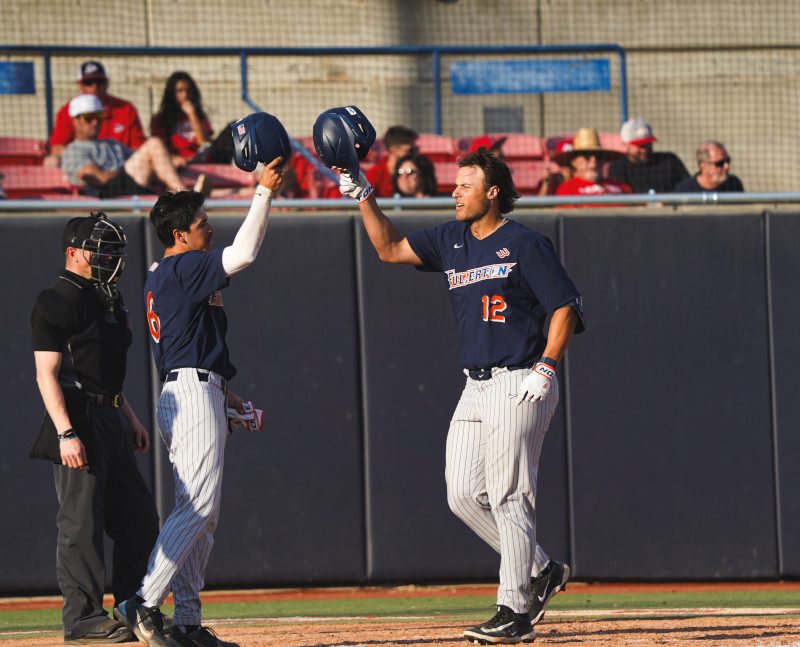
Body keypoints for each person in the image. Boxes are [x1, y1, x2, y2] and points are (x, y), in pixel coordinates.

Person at [339, 147, 585, 644]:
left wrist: (547, 365)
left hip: (521, 379)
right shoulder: (450, 238)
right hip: (475, 385)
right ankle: (541, 570)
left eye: (465, 185)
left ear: (492, 193)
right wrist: (364, 195)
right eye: (455, 183)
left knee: (511, 496)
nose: (454, 191)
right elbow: (388, 249)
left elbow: (566, 308)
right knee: (462, 494)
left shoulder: (525, 242)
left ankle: (513, 611)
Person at [114, 153, 284, 647]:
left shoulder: (171, 272)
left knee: (202, 515)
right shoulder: (183, 267)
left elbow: (192, 348)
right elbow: (246, 251)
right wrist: (264, 191)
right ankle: (143, 601)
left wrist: (230, 399)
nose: (209, 230)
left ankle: (187, 621)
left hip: (196, 387)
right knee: (199, 504)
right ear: (180, 235)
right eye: (202, 224)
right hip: (189, 392)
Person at [30, 213, 161, 644]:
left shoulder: (110, 298)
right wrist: (66, 433)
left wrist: (131, 419)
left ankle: (131, 606)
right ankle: (84, 620)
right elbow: (47, 374)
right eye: (100, 250)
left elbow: (109, 378)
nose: (109, 258)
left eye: (113, 251)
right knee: (81, 524)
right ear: (73, 252)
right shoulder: (57, 299)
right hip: (78, 419)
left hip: (111, 416)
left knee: (140, 519)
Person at [61, 94, 190, 198]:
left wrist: (170, 160)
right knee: (154, 143)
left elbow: (143, 160)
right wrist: (130, 171)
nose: (95, 122)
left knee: (157, 151)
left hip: (131, 186)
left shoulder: (112, 143)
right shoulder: (73, 149)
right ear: (75, 120)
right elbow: (96, 178)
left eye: (99, 116)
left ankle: (189, 195)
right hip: (105, 194)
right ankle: (186, 196)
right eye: (89, 117)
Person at [45, 61, 146, 167]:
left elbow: (138, 146)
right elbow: (57, 148)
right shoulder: (69, 111)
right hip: (82, 166)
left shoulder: (125, 109)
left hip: (120, 166)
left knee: (154, 145)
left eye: (99, 82)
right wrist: (90, 156)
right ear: (80, 85)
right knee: (51, 161)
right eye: (88, 83)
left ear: (107, 83)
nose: (94, 87)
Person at [150, 71, 234, 168]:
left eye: (188, 91)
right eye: (180, 91)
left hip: (203, 160)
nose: (185, 95)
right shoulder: (160, 119)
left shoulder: (199, 116)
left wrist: (192, 115)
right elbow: (159, 149)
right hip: (177, 163)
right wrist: (181, 159)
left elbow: (204, 143)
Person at [606, 118, 689, 194]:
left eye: (648, 144)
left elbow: (687, 186)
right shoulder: (618, 168)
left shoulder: (669, 160)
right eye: (640, 145)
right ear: (626, 144)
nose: (644, 149)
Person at [554, 127, 633, 205]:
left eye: (598, 156)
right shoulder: (567, 189)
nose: (593, 161)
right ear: (574, 162)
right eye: (587, 156)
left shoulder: (621, 185)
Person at [365, 125, 418, 197]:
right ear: (393, 151)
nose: (415, 154)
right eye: (410, 150)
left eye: (415, 150)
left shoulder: (418, 170)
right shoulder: (374, 175)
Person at [674, 141, 744, 192]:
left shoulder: (734, 184)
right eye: (720, 163)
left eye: (727, 160)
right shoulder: (685, 189)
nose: (726, 166)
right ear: (703, 166)